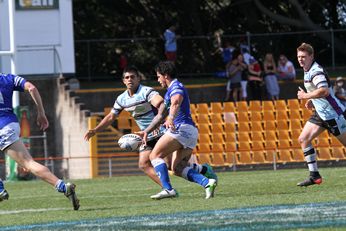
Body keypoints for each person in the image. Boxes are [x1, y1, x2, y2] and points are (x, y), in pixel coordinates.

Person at [84, 66, 214, 188]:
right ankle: (168, 188)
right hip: (146, 134)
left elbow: (162, 105)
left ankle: (201, 171)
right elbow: (111, 117)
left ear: (138, 79)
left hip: (160, 131)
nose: (130, 79)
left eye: (133, 77)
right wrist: (96, 130)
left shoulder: (146, 91)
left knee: (171, 166)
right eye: (127, 77)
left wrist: (164, 119)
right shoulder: (122, 99)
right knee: (144, 164)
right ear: (123, 81)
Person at [137, 61, 217, 200]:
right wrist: (146, 131)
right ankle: (207, 181)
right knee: (177, 168)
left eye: (158, 76)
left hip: (180, 128)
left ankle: (168, 189)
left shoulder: (176, 87)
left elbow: (176, 101)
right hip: (190, 131)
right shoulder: (170, 90)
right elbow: (160, 115)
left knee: (154, 156)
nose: (158, 80)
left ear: (165, 75)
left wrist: (171, 118)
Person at [0, 73, 79, 210]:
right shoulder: (8, 78)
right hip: (11, 124)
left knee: (28, 164)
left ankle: (0, 189)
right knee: (29, 163)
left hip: (1, 127)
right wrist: (41, 113)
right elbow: (32, 88)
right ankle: (63, 187)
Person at [296, 43, 346, 187]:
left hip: (334, 115)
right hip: (320, 114)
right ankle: (314, 176)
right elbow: (319, 91)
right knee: (303, 139)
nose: (301, 59)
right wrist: (312, 100)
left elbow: (324, 91)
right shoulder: (307, 70)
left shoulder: (316, 71)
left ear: (311, 56)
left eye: (304, 57)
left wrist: (306, 96)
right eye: (299, 57)